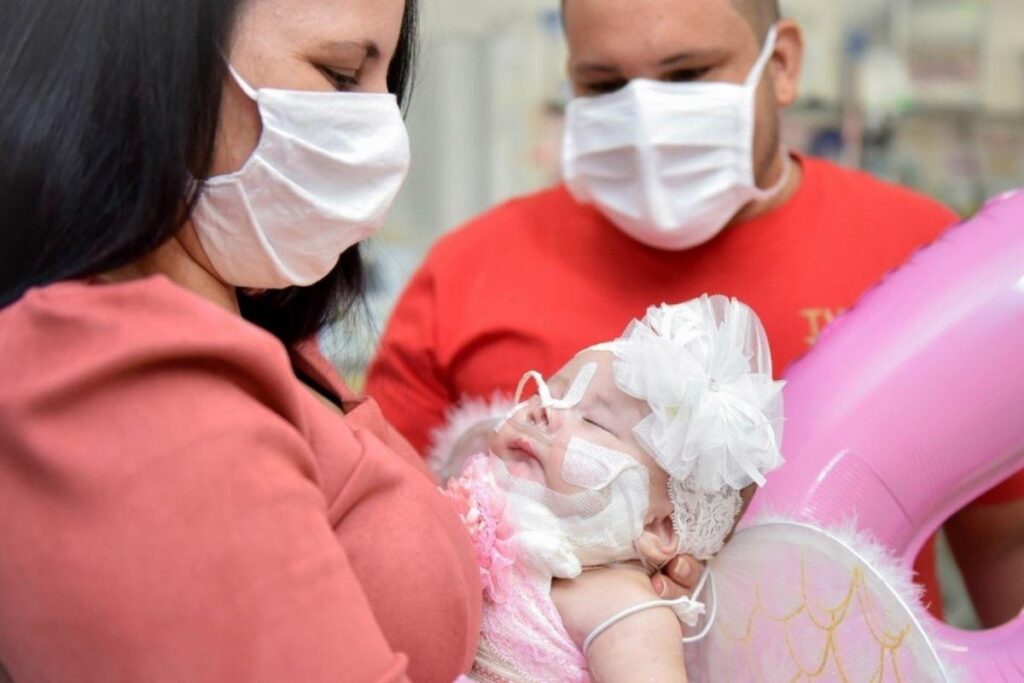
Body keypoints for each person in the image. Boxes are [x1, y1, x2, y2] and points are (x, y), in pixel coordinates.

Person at [367, 0, 1024, 625]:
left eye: (688, 74)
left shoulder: (921, 258)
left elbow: (1005, 545)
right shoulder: (466, 277)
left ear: (784, 63)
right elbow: (379, 544)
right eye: (605, 84)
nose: (648, 116)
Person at [0, 1, 481, 680]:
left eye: (384, 86)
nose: (386, 137)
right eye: (341, 77)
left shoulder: (248, 322)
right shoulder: (128, 383)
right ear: (154, 53)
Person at [441, 297, 784, 682]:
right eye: (550, 392)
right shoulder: (476, 511)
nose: (546, 410)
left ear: (659, 528)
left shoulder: (624, 606)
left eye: (594, 421)